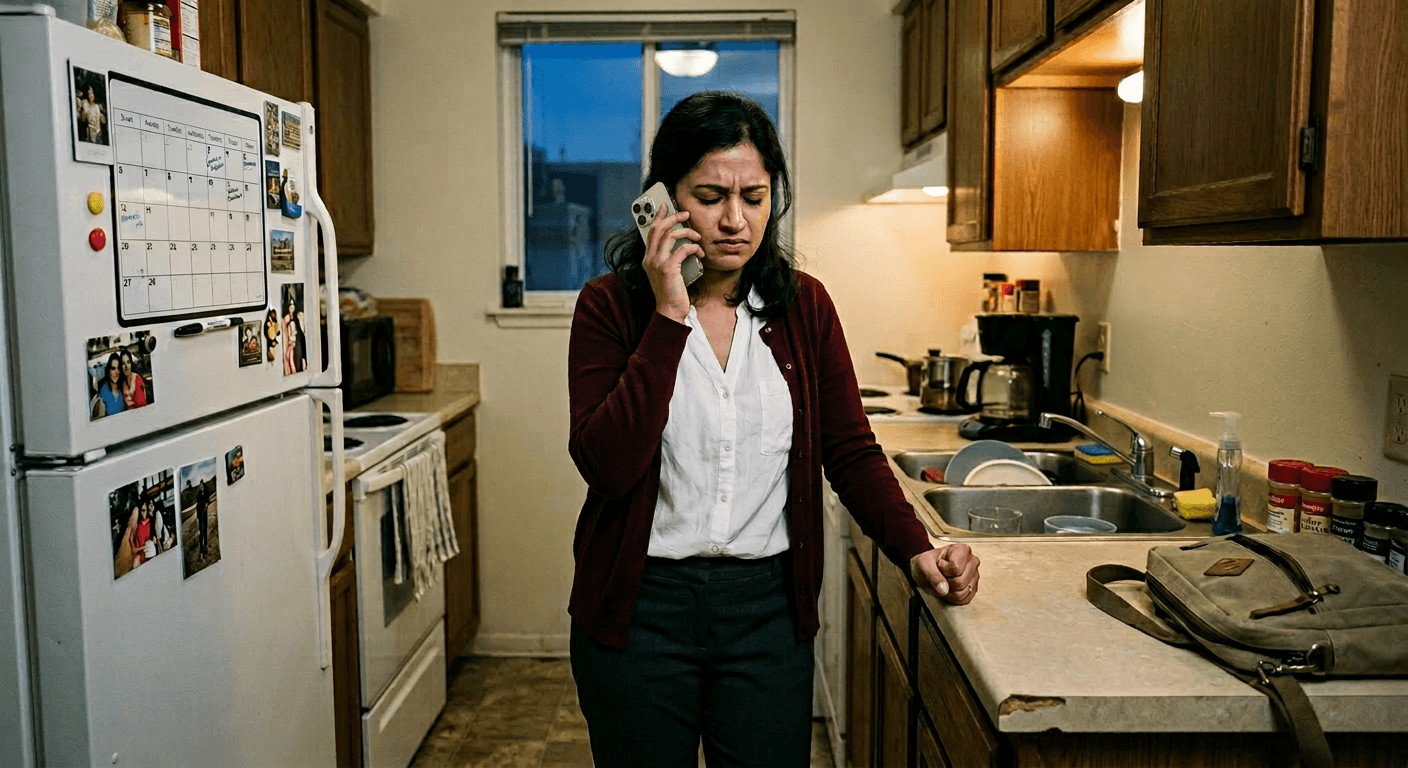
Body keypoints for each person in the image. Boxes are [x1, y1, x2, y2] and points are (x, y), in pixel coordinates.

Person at [566, 91, 980, 768]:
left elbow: (849, 451)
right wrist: (671, 314)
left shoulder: (804, 307)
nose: (735, 220)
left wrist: (917, 546)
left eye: (754, 197)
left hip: (765, 614)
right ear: (664, 201)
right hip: (639, 613)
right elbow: (608, 465)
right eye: (710, 195)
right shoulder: (609, 307)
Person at [93, 352, 126, 418]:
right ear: (108, 370)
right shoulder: (103, 391)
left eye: (118, 368)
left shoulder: (123, 386)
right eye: (113, 368)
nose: (116, 372)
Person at [195, 481, 211, 559]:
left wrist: (207, 503)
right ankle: (201, 550)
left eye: (202, 486)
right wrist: (198, 517)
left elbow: (208, 500)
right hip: (201, 517)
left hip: (205, 516)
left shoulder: (206, 493)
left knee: (205, 531)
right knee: (201, 533)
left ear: (203, 486)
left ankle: (205, 547)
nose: (201, 488)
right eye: (199, 486)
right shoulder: (198, 496)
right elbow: (198, 506)